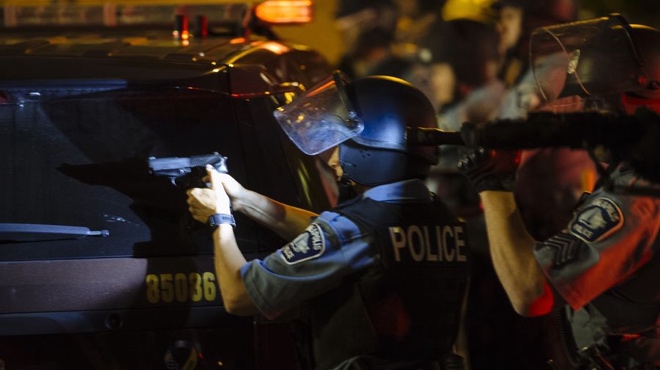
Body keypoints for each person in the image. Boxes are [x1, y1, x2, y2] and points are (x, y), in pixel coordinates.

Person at [187, 72, 471, 370]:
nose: (333, 157)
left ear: (373, 146)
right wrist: (244, 199)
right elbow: (337, 233)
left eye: (342, 141)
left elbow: (239, 296)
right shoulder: (442, 218)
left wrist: (220, 217)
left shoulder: (356, 230)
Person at [457, 15, 660, 369]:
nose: (580, 115)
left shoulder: (641, 192)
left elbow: (529, 292)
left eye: (594, 104)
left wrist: (492, 185)